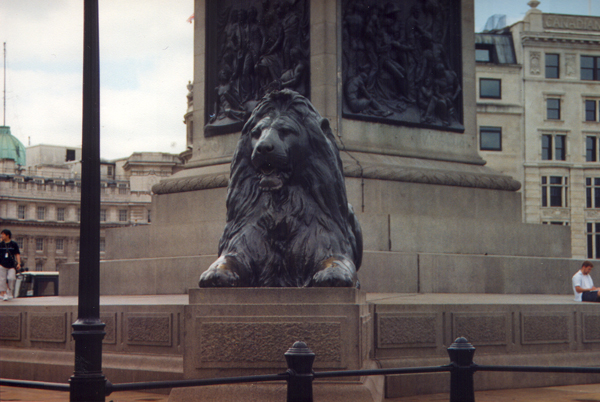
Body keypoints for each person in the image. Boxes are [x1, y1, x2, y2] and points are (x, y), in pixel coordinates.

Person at [0, 229, 21, 301]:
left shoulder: (14, 244)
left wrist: (18, 263)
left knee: (11, 278)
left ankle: (9, 290)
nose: (1, 235)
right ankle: (4, 293)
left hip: (11, 265)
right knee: (2, 280)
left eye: (3, 234)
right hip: (2, 265)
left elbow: (17, 254)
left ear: (7, 235)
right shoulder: (1, 244)